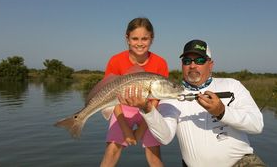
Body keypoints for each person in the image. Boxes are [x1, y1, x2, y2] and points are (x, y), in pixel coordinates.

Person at [119, 39, 266, 167]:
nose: (193, 65)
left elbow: (257, 125)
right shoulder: (170, 95)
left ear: (211, 64)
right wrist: (147, 108)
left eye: (200, 60)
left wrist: (222, 112)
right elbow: (164, 137)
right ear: (182, 65)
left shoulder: (232, 85)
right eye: (187, 61)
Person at [100, 17, 169, 167]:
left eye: (144, 38)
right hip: (121, 109)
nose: (139, 43)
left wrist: (140, 130)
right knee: (112, 149)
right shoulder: (116, 61)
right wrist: (126, 129)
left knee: (154, 152)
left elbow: (156, 100)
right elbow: (110, 97)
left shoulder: (160, 63)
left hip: (150, 108)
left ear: (152, 39)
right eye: (135, 38)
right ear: (127, 38)